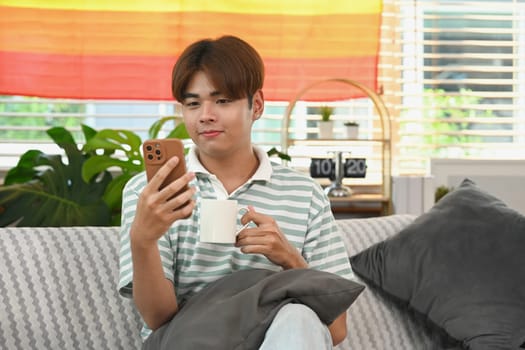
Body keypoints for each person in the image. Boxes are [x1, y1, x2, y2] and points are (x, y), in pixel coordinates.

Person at [118, 35, 354, 349]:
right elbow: (157, 318)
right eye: (192, 103)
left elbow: (336, 330)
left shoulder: (305, 195)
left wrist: (289, 259)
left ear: (255, 105)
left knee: (299, 317)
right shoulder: (150, 194)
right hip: (186, 341)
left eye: (222, 100)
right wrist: (143, 239)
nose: (205, 115)